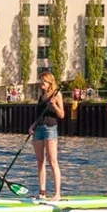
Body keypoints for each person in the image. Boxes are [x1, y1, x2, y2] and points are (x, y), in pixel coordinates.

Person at [33, 70, 66, 200]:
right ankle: (42, 192)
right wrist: (32, 126)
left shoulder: (57, 95)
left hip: (50, 128)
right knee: (40, 161)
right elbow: (38, 114)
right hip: (38, 129)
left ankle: (57, 194)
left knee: (52, 161)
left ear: (50, 82)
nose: (42, 83)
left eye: (44, 81)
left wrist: (54, 106)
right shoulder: (41, 96)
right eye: (41, 81)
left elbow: (62, 115)